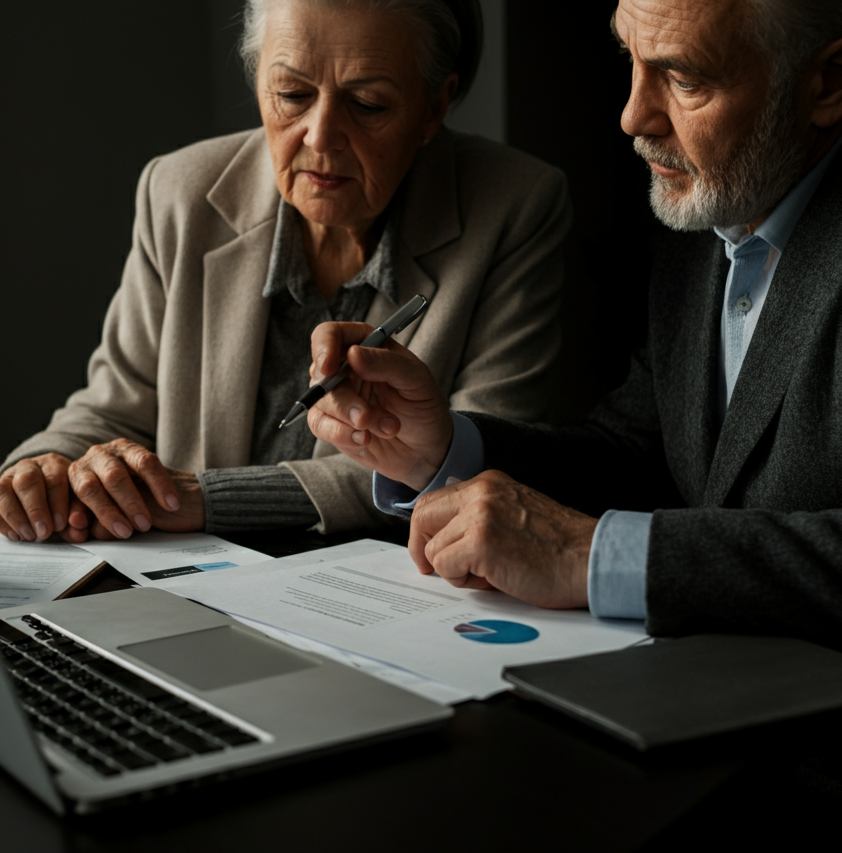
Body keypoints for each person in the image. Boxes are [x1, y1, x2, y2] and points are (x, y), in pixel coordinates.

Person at [305, 0, 842, 647]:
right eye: (630, 60)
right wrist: (444, 450)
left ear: (828, 84)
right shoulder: (712, 212)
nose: (632, 116)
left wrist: (600, 556)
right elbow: (644, 456)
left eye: (684, 79)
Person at [0, 0, 572, 545]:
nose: (320, 136)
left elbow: (474, 461)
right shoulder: (182, 193)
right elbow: (114, 408)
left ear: (434, 107)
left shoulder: (514, 208)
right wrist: (45, 469)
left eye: (367, 105)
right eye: (291, 94)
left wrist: (209, 500)